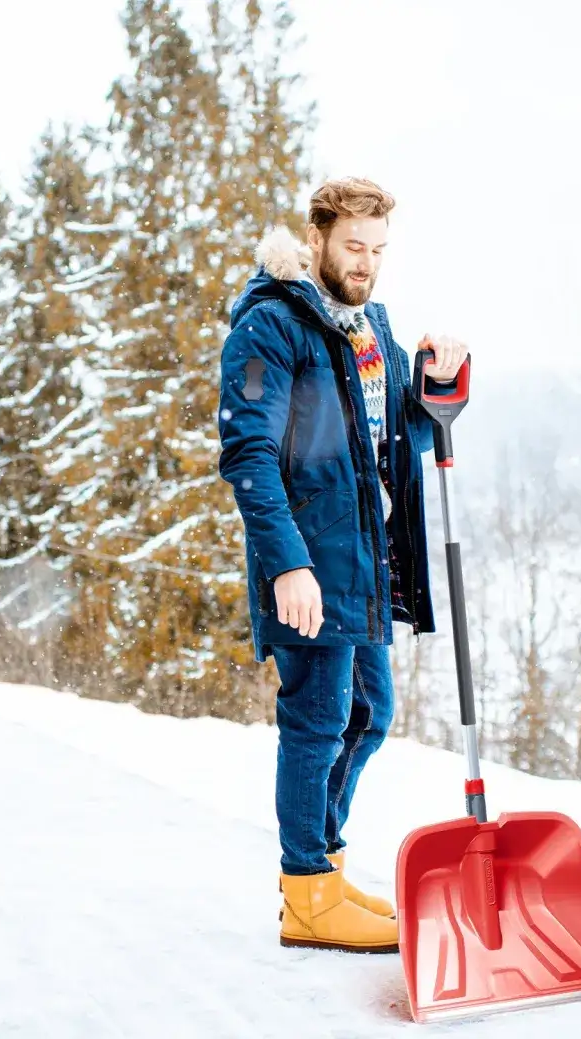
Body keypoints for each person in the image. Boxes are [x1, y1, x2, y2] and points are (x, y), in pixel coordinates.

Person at [216, 177, 469, 953]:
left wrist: (433, 389)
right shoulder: (270, 329)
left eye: (379, 250)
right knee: (317, 718)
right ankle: (308, 893)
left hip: (363, 564)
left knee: (368, 715)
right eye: (354, 246)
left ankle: (323, 867)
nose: (366, 263)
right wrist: (288, 564)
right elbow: (248, 451)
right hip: (308, 565)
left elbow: (400, 442)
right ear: (319, 238)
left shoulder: (369, 333)